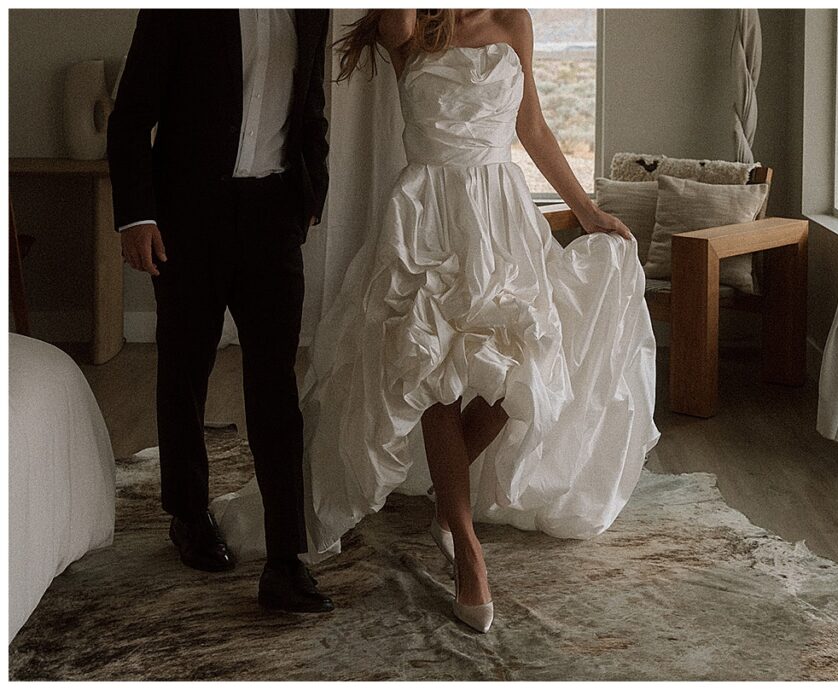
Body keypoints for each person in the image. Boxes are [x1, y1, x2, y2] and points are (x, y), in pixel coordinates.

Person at [216, 8, 660, 633]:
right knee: (431, 370)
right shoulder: (406, 26)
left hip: (501, 213)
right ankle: (467, 544)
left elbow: (531, 125)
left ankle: (447, 506)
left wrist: (586, 210)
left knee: (524, 366)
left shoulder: (514, 20)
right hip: (426, 215)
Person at [106, 9, 333, 613]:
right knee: (184, 369)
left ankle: (287, 560)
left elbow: (310, 105)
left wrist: (313, 194)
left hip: (273, 215)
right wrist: (136, 215)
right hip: (188, 215)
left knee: (275, 385)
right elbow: (130, 116)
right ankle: (186, 512)